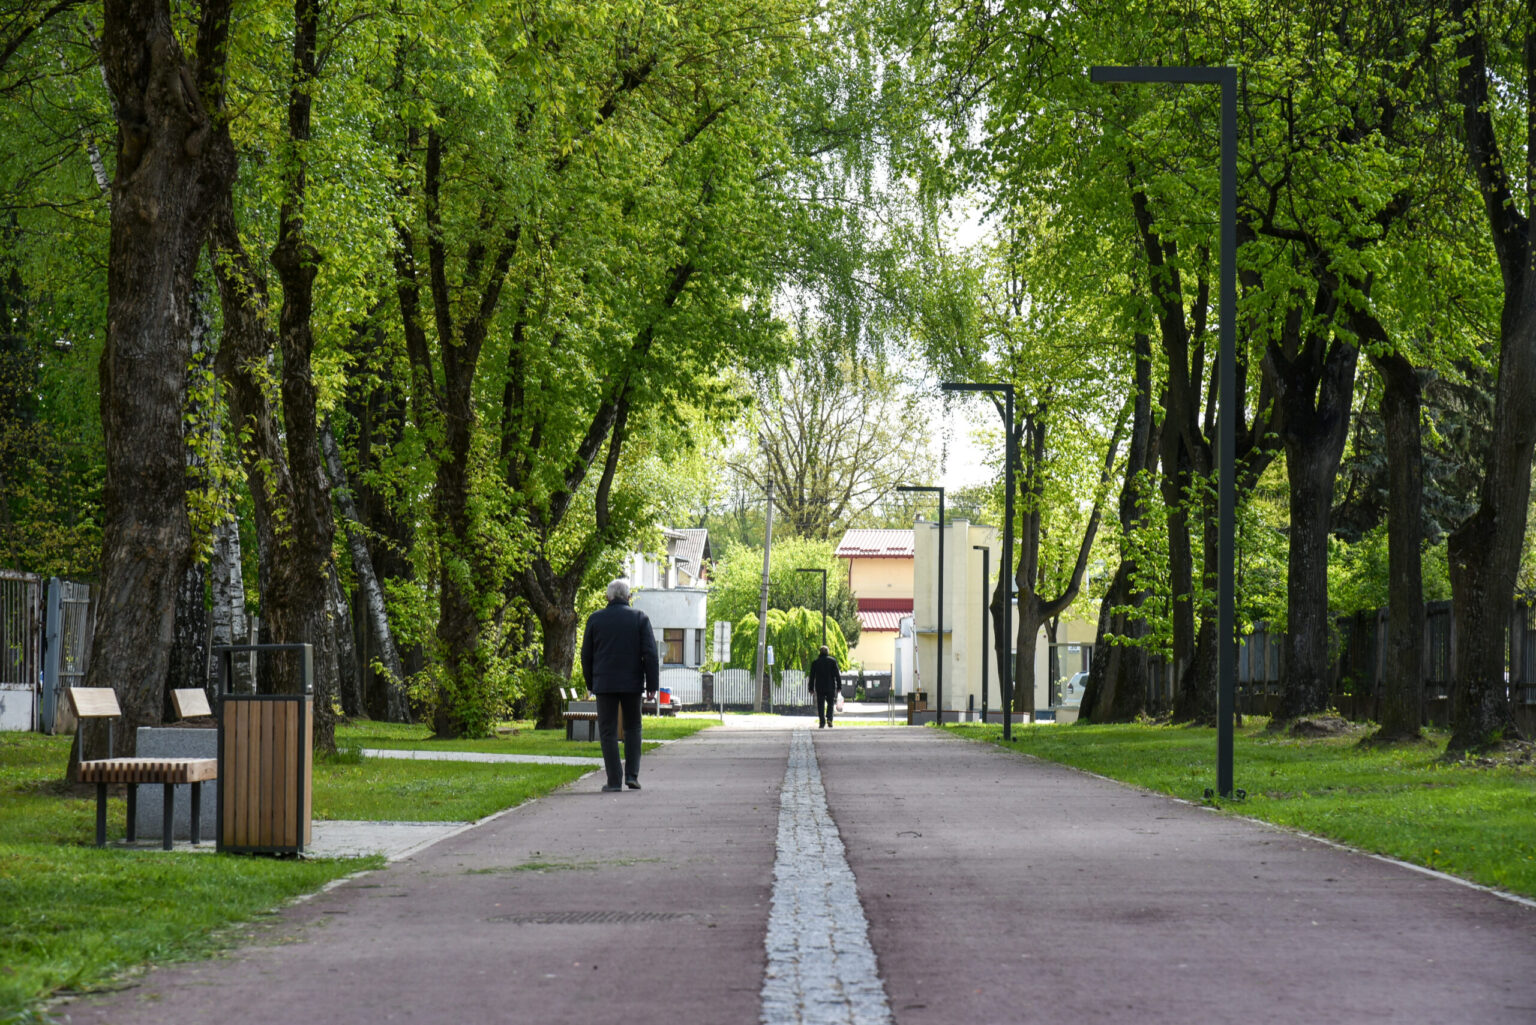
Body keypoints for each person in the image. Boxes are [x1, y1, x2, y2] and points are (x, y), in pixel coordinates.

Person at [579, 578, 659, 791]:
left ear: (608, 597)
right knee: (633, 727)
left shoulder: (595, 619)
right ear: (629, 597)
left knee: (607, 731)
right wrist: (652, 684)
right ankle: (632, 776)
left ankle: (614, 781)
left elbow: (586, 655)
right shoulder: (640, 618)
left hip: (604, 683)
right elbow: (650, 654)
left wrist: (591, 682)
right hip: (632, 683)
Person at [808, 644, 841, 728]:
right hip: (830, 686)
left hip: (820, 687)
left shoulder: (815, 662)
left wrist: (811, 688)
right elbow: (837, 675)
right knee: (830, 703)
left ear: (820, 652)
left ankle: (822, 722)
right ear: (828, 652)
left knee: (820, 704)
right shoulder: (832, 661)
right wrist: (839, 687)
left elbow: (812, 676)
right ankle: (829, 718)